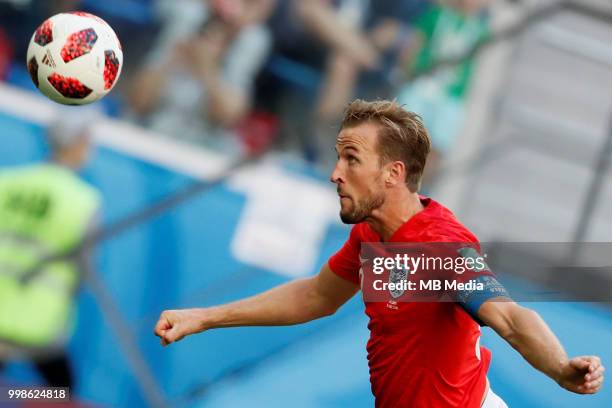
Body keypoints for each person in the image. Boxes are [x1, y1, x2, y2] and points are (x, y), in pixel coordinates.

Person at [154, 100, 605, 407]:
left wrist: (560, 368)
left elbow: (509, 317)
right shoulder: (371, 236)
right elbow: (315, 297)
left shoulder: (438, 245)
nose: (335, 173)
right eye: (337, 157)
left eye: (351, 159)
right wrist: (204, 317)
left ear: (392, 173)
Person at [0, 108, 100, 388]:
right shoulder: (83, 201)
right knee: (61, 394)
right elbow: (84, 270)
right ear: (78, 142)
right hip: (38, 324)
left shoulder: (7, 183)